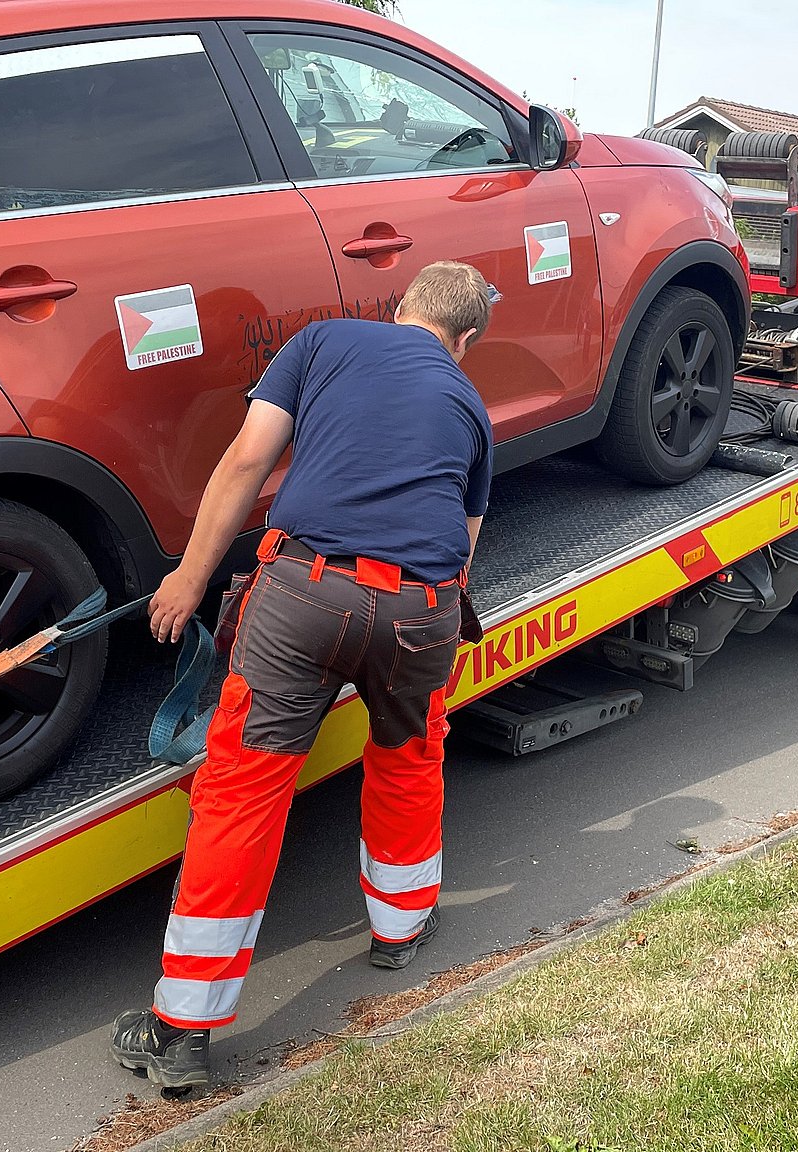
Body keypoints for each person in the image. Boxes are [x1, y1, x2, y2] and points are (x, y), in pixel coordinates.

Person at [110, 261, 498, 1089]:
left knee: (244, 790)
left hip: (305, 593)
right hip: (422, 611)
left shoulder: (322, 340)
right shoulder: (470, 406)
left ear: (402, 309)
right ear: (464, 342)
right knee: (409, 757)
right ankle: (400, 929)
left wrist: (188, 577)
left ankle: (181, 1029)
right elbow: (464, 545)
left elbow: (248, 461)